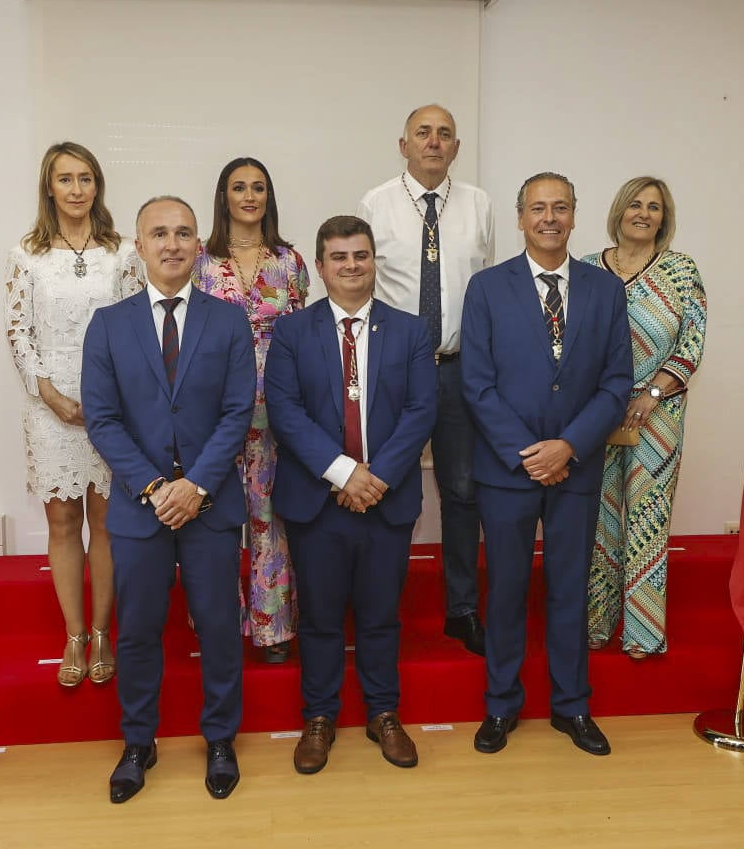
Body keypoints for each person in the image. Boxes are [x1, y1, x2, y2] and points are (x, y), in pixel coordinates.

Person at [82, 196, 256, 804]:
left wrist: (196, 486)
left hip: (209, 504)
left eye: (184, 232)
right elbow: (102, 421)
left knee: (218, 626)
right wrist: (156, 488)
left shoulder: (229, 320)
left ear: (197, 245)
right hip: (139, 507)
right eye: (159, 233)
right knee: (136, 631)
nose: (173, 243)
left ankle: (220, 739)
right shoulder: (109, 324)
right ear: (140, 246)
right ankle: (138, 742)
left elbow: (238, 413)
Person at [461, 172, 632, 756]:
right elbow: (477, 384)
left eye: (560, 207)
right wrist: (531, 455)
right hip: (507, 472)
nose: (549, 217)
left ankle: (572, 707)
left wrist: (569, 446)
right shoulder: (486, 288)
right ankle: (501, 707)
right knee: (505, 591)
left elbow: (616, 383)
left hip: (577, 468)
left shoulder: (605, 291)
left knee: (569, 590)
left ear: (575, 214)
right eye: (538, 208)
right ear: (520, 218)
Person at [265, 216, 437, 775]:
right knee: (318, 616)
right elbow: (285, 413)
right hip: (318, 499)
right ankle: (319, 718)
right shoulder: (292, 332)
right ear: (320, 266)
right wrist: (343, 473)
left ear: (373, 261)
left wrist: (374, 477)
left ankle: (384, 713)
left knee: (381, 615)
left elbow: (420, 412)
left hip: (386, 498)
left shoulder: (411, 331)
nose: (351, 266)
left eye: (361, 255)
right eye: (339, 257)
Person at [357, 104, 495, 656]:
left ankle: (462, 609)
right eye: (423, 133)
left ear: (456, 148)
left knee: (463, 491)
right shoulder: (375, 202)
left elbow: (489, 290)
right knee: (385, 484)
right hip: (395, 370)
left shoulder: (480, 204)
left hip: (462, 369)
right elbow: (360, 282)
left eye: (444, 135)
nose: (433, 143)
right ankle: (376, 605)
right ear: (403, 144)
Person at [5, 141, 143, 688]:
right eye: (66, 179)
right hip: (51, 406)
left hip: (112, 407)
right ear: (49, 187)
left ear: (97, 185)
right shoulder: (26, 253)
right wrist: (51, 396)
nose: (77, 189)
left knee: (108, 523)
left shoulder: (124, 251)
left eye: (86, 178)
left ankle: (105, 633)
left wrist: (109, 400)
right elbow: (18, 332)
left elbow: (137, 328)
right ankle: (74, 635)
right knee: (63, 522)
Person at [584, 177, 707, 659]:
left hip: (657, 413)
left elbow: (692, 343)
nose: (644, 213)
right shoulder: (589, 269)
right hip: (595, 412)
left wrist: (653, 392)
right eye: (635, 204)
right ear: (619, 211)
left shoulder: (680, 271)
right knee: (597, 520)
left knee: (647, 521)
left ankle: (643, 633)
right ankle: (595, 625)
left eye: (654, 207)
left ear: (664, 218)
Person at [193, 157, 310, 664]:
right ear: (222, 196)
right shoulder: (198, 261)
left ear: (268, 197)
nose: (248, 196)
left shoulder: (290, 262)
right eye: (238, 187)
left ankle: (272, 628)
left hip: (274, 407)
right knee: (213, 518)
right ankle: (218, 622)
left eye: (258, 187)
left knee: (268, 517)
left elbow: (305, 339)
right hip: (211, 405)